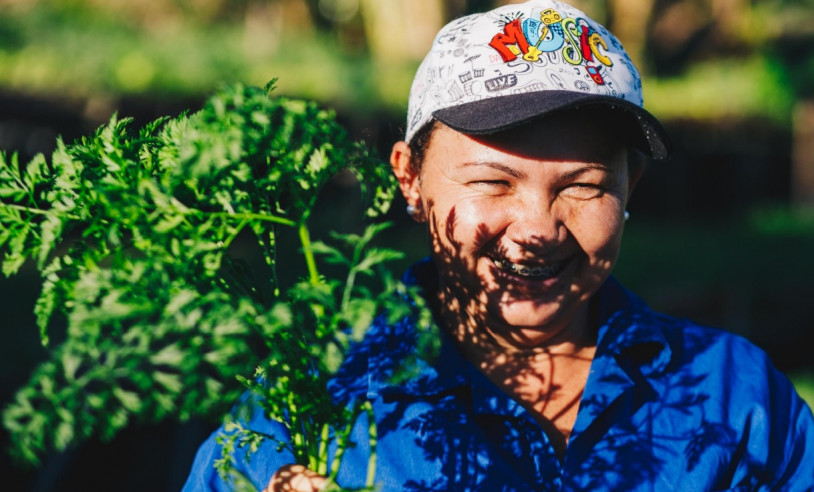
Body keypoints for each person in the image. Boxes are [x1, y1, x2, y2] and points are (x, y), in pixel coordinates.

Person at [183, 1, 814, 490]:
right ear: (409, 177)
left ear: (630, 187)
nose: (538, 226)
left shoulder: (737, 394)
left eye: (585, 186)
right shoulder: (315, 390)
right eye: (493, 181)